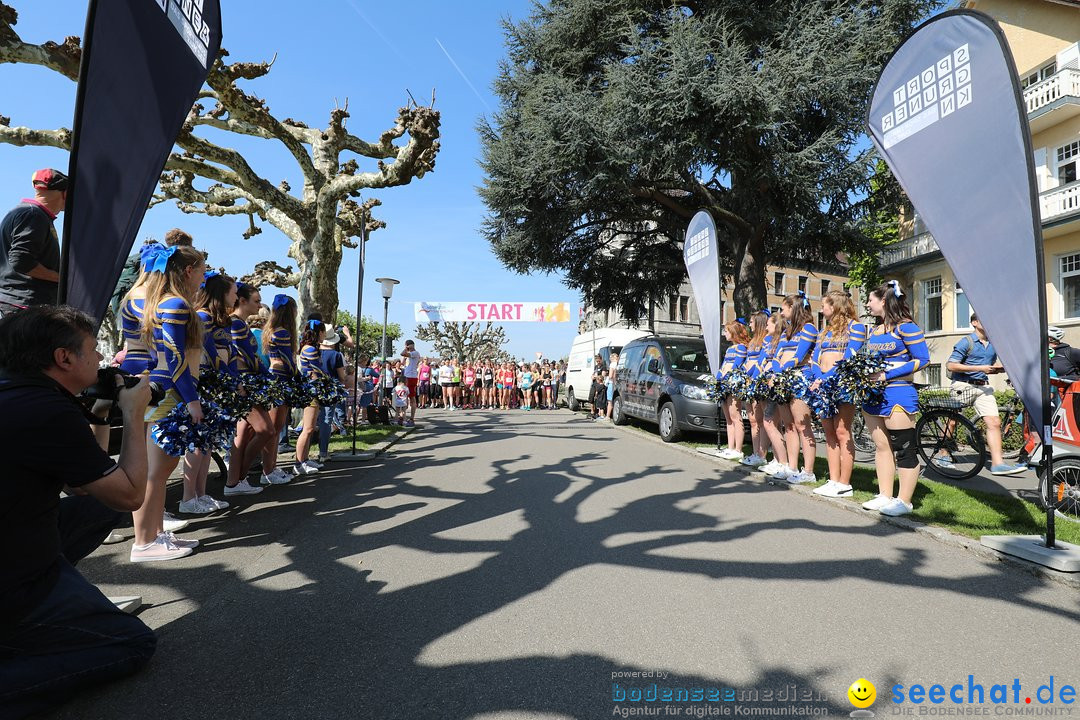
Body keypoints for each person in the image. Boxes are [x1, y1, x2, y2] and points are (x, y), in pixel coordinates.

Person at [0, 305, 158, 715]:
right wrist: (135, 414)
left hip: (18, 540)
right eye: (93, 349)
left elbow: (83, 482)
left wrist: (101, 409)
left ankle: (57, 596)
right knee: (132, 643)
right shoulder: (47, 410)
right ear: (64, 357)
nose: (102, 359)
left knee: (96, 509)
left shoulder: (21, 394)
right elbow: (129, 495)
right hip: (14, 584)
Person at [860, 280, 930, 517]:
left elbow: (922, 359)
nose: (868, 304)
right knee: (881, 447)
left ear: (884, 300)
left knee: (905, 449)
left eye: (871, 300)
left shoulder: (907, 327)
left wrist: (887, 374)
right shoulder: (876, 330)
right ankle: (885, 495)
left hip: (898, 391)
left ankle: (905, 501)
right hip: (873, 394)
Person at [944, 313, 1025, 476]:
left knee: (994, 422)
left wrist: (999, 368)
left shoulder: (993, 344)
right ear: (974, 323)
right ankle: (943, 455)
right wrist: (980, 368)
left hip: (983, 387)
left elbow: (990, 364)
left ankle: (997, 464)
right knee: (952, 421)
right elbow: (951, 365)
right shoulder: (966, 342)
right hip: (963, 385)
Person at [810, 290, 867, 498]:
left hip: (842, 383)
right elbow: (815, 357)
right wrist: (818, 376)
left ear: (835, 306)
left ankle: (845, 483)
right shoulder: (823, 332)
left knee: (842, 431)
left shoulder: (856, 327)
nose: (822, 308)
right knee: (829, 432)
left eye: (825, 304)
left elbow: (850, 356)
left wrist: (827, 377)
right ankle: (833, 480)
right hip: (822, 384)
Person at [0, 169, 68, 314]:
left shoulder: (24, 212)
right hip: (26, 305)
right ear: (65, 193)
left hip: (18, 302)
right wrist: (62, 278)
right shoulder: (34, 215)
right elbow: (21, 261)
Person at [229, 283, 273, 494]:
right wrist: (265, 373)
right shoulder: (236, 324)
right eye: (256, 301)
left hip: (247, 381)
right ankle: (240, 477)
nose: (259, 305)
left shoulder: (240, 324)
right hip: (245, 383)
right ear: (242, 301)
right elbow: (247, 357)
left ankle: (234, 482)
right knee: (266, 430)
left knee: (244, 433)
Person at [717, 319, 749, 460]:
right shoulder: (730, 349)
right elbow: (724, 364)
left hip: (733, 383)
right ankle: (730, 447)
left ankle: (738, 449)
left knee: (736, 416)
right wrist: (718, 378)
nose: (724, 334)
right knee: (728, 418)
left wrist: (727, 378)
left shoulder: (741, 348)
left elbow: (736, 366)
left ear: (733, 333)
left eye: (726, 331)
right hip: (724, 383)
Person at [400, 340, 421, 425]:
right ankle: (402, 416)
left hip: (411, 377)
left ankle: (412, 418)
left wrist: (406, 348)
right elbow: (402, 362)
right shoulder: (409, 355)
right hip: (406, 375)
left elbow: (402, 353)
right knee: (403, 397)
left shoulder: (415, 353)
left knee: (411, 397)